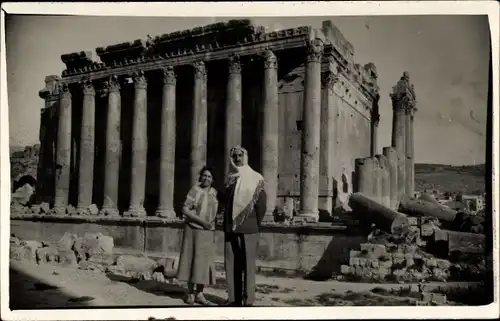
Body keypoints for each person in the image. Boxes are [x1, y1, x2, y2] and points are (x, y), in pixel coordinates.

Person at [222, 146, 267, 307]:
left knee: (248, 266)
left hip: (249, 229)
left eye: (240, 155)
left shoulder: (255, 178)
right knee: (231, 265)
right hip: (230, 228)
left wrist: (253, 223)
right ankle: (233, 299)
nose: (237, 158)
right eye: (234, 156)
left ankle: (248, 301)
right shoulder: (230, 178)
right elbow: (226, 204)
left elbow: (261, 205)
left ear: (245, 157)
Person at [177, 166, 219, 306]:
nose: (207, 178)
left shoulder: (214, 193)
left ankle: (200, 294)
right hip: (193, 230)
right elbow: (185, 209)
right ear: (201, 177)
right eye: (204, 175)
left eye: (209, 176)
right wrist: (202, 222)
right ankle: (190, 293)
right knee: (191, 259)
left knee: (203, 263)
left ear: (213, 180)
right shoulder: (194, 190)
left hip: (207, 232)